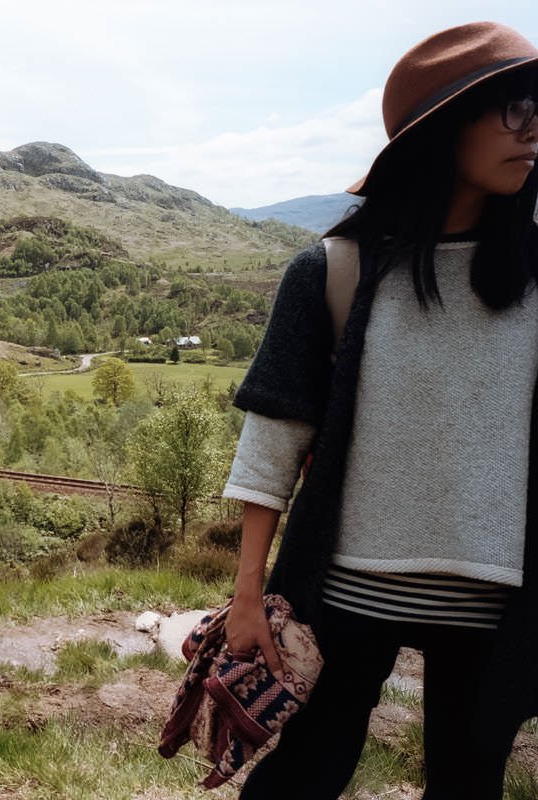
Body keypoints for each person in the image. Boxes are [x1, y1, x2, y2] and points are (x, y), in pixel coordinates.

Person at [220, 21, 538, 800]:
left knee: (470, 789)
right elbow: (273, 438)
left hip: (494, 606)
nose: (533, 130)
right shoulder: (334, 270)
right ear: (442, 127)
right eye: (512, 108)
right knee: (299, 780)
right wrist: (248, 596)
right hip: (345, 591)